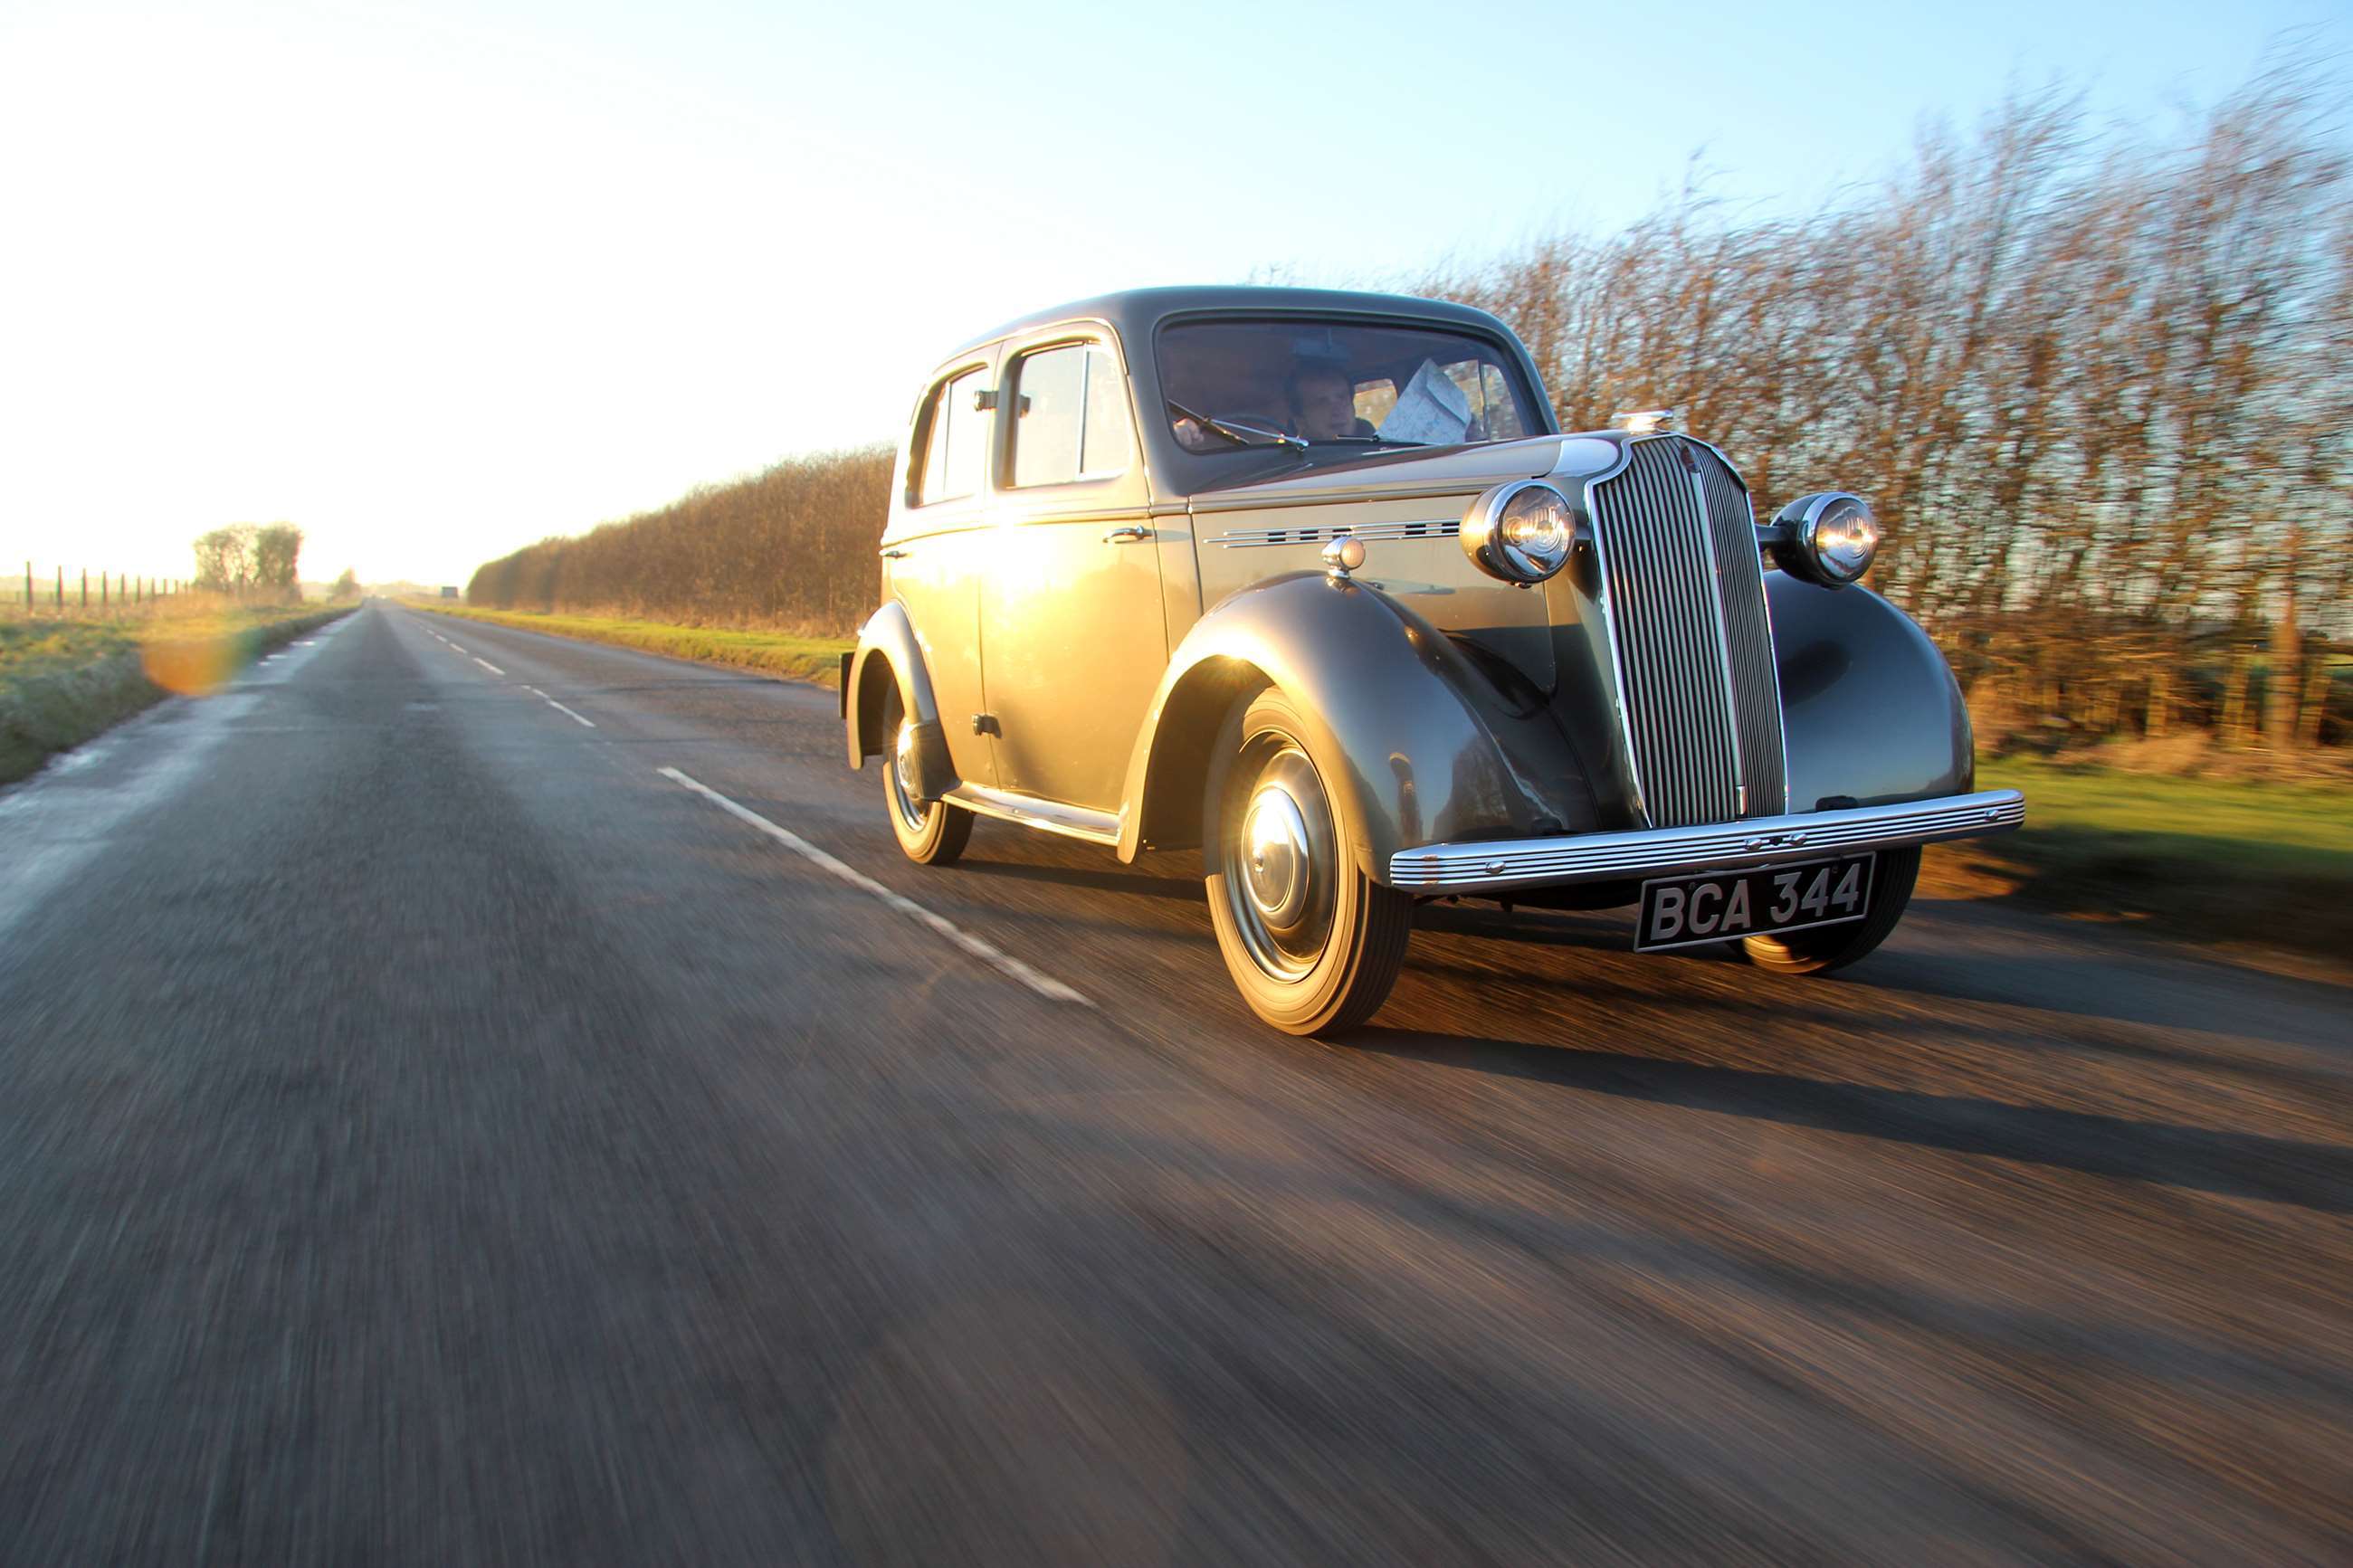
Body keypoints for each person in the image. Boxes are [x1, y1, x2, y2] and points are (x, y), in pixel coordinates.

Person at [1284, 362, 1375, 441]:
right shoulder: (1290, 459)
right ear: (1300, 421)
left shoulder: (1380, 450)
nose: (1337, 411)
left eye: (1342, 398)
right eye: (1322, 403)